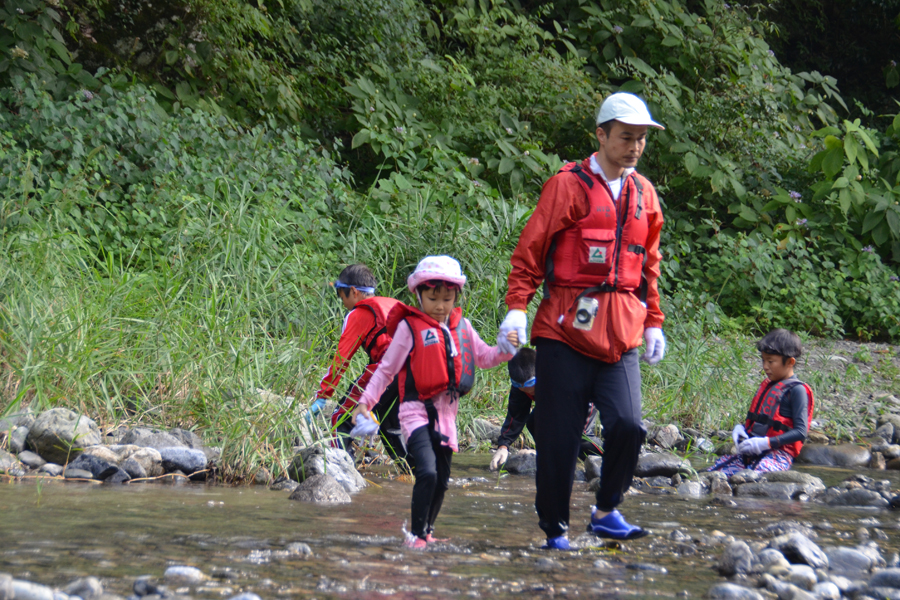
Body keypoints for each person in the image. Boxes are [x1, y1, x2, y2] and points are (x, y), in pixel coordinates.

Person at [496, 92, 667, 549]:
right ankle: (555, 531)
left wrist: (654, 321)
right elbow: (530, 250)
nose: (634, 147)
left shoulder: (644, 194)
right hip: (564, 333)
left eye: (642, 139)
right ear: (601, 134)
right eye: (626, 137)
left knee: (629, 425)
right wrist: (518, 305)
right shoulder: (567, 186)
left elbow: (648, 263)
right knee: (558, 439)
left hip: (622, 333)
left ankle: (607, 510)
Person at [353, 256, 515, 549]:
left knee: (441, 480)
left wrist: (507, 348)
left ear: (456, 296)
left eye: (447, 298)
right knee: (426, 471)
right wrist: (365, 402)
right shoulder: (409, 329)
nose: (440, 305)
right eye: (433, 298)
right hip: (414, 413)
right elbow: (387, 369)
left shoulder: (462, 326)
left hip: (447, 419)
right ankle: (415, 535)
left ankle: (427, 531)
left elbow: (486, 357)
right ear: (419, 295)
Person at [312, 264, 406, 463]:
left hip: (387, 368)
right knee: (391, 427)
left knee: (340, 419)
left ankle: (343, 474)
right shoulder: (394, 304)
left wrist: (323, 395)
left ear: (353, 292)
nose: (341, 300)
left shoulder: (359, 313)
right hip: (414, 370)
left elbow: (342, 358)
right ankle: (415, 476)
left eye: (341, 294)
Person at [709, 329, 815, 476]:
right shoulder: (769, 385)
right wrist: (741, 429)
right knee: (712, 473)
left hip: (778, 456)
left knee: (750, 478)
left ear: (790, 362)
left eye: (770, 361)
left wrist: (766, 443)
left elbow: (800, 432)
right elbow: (759, 421)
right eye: (763, 360)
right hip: (750, 453)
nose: (765, 366)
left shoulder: (797, 390)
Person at [489, 348, 602, 471]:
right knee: (535, 423)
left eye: (530, 384)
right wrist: (503, 446)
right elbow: (516, 415)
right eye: (519, 385)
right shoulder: (520, 382)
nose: (526, 390)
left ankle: (612, 457)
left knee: (579, 434)